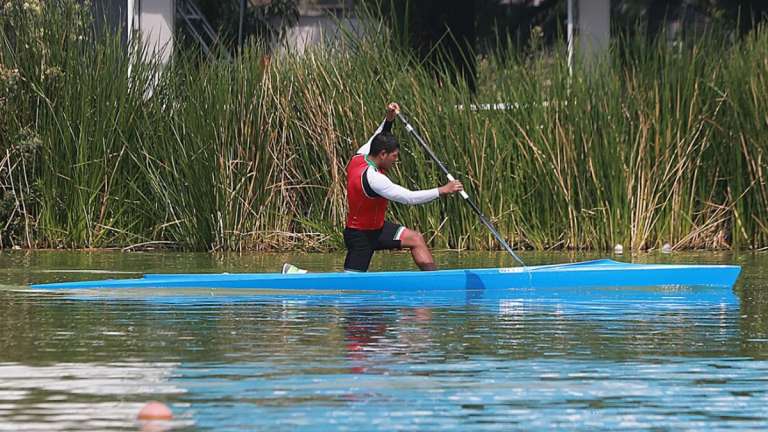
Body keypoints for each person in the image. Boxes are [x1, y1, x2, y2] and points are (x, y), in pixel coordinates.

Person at [343, 102, 463, 272]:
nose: (395, 160)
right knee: (348, 288)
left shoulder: (361, 154)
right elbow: (409, 198)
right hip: (360, 236)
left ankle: (435, 281)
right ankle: (300, 276)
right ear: (383, 154)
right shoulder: (374, 179)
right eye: (394, 156)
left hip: (378, 229)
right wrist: (442, 190)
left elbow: (378, 135)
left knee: (415, 239)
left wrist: (389, 119)